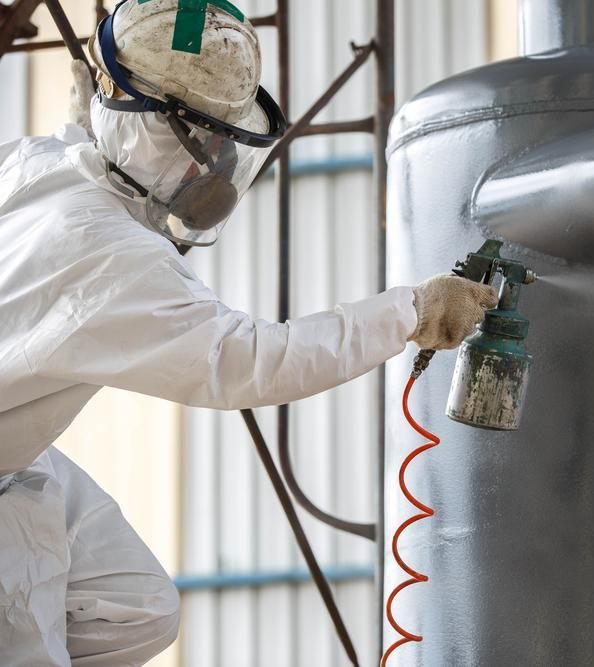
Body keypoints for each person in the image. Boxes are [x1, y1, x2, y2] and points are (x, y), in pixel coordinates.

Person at [0, 1, 496, 664]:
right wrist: (413, 312)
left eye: (220, 139)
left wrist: (89, 87)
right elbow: (255, 362)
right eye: (200, 138)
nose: (210, 164)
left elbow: (95, 135)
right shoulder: (115, 259)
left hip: (18, 455)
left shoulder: (43, 162)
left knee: (138, 607)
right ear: (141, 116)